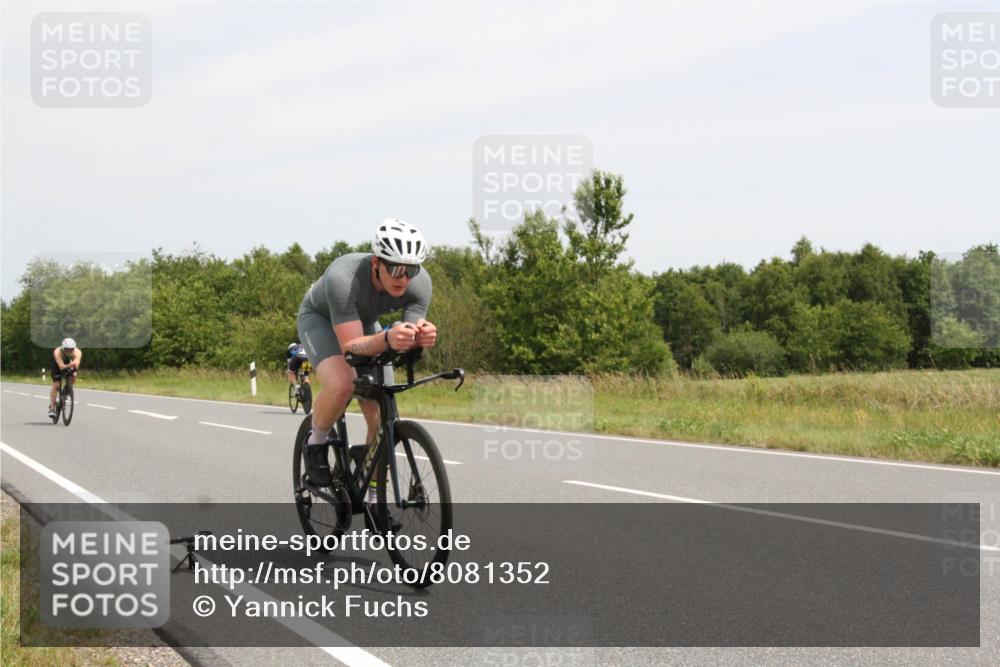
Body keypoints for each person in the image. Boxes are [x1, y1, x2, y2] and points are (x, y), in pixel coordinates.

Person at [297, 219, 437, 493]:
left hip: (364, 323)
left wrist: (420, 337)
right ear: (376, 262)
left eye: (411, 269)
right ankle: (315, 443)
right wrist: (387, 337)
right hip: (320, 320)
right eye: (395, 268)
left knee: (382, 414)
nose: (403, 278)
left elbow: (405, 339)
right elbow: (350, 347)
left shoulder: (419, 284)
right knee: (343, 384)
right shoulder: (343, 278)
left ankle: (374, 494)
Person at [49, 338, 82, 418]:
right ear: (63, 348)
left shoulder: (78, 352)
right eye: (67, 349)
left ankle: (66, 391)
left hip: (69, 363)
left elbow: (76, 364)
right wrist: (68, 365)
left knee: (73, 377)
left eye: (71, 349)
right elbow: (61, 367)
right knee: (56, 384)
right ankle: (52, 408)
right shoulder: (57, 352)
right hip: (58, 364)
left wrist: (74, 368)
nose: (69, 351)